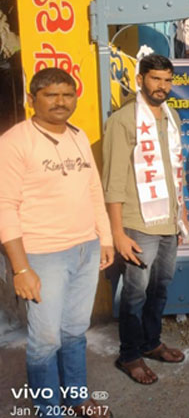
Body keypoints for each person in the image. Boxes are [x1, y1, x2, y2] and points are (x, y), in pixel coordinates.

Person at [0, 67, 113, 417]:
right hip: (42, 255)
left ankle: (76, 398)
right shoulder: (14, 142)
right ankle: (49, 409)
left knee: (75, 330)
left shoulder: (78, 135)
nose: (60, 102)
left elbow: (93, 190)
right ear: (31, 99)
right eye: (51, 95)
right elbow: (4, 206)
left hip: (85, 249)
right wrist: (21, 268)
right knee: (46, 339)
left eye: (67, 94)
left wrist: (105, 238)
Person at [103, 54, 189, 385]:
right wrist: (117, 232)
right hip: (138, 224)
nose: (162, 86)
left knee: (160, 288)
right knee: (135, 294)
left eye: (167, 80)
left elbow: (176, 169)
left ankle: (151, 342)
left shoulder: (171, 116)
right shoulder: (123, 120)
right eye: (155, 79)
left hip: (168, 220)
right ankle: (129, 355)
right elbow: (113, 181)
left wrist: (182, 212)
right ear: (140, 80)